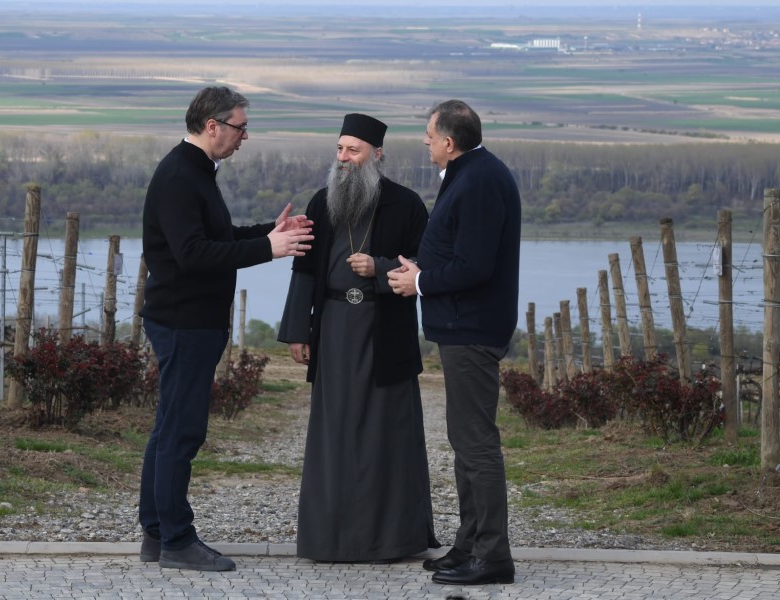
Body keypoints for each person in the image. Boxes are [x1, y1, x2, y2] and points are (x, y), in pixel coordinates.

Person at [138, 86, 313, 572]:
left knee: (169, 427)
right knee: (182, 430)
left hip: (191, 319)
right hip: (183, 320)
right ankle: (176, 540)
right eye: (239, 127)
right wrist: (269, 250)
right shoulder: (179, 176)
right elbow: (194, 255)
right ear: (211, 126)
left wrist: (268, 233)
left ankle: (155, 533)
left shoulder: (197, 172)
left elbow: (216, 239)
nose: (244, 136)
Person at [277, 113, 440, 563]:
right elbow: (304, 269)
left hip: (384, 332)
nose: (344, 158)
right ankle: (329, 539)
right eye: (340, 149)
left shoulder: (406, 206)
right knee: (335, 433)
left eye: (354, 150)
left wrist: (382, 268)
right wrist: (297, 330)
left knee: (386, 436)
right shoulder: (321, 201)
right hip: (332, 331)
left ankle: (390, 541)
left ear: (377, 155)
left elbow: (423, 268)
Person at [387, 100, 521, 585]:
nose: (425, 142)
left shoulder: (480, 180)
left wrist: (419, 283)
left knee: (476, 444)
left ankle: (493, 557)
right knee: (465, 444)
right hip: (462, 326)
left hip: (473, 328)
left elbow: (475, 266)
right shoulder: (471, 172)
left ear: (449, 140)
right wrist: (420, 269)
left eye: (429, 135)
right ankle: (469, 545)